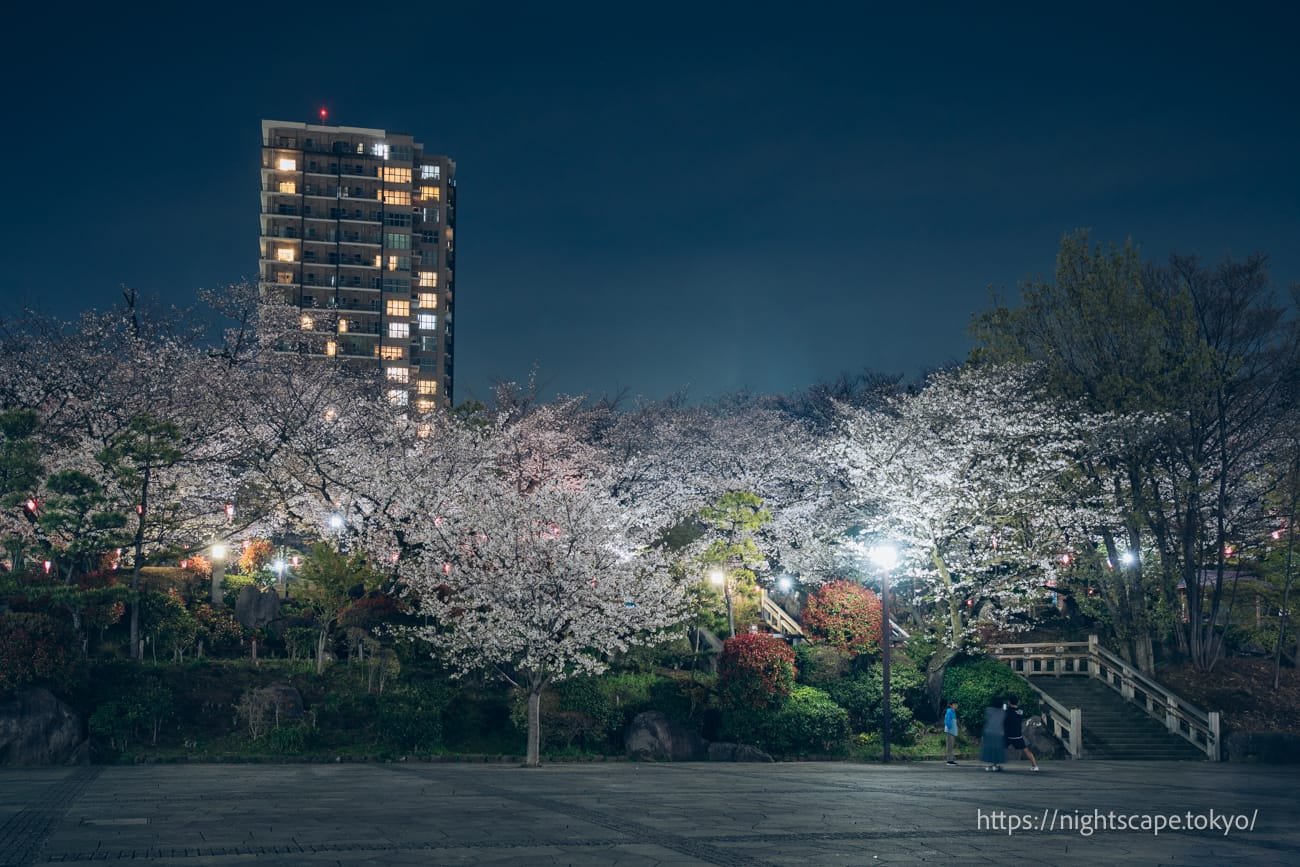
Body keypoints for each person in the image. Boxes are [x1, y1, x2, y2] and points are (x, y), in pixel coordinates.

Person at [1003, 695, 1040, 771]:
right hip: (1018, 735)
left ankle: (994, 764)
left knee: (999, 748)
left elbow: (1004, 717)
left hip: (1008, 736)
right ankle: (1035, 766)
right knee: (1026, 750)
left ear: (1009, 702)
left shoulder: (1008, 711)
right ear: (1017, 702)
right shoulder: (1020, 711)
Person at [981, 695, 1005, 771]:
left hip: (988, 731)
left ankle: (990, 764)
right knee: (997, 749)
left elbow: (986, 720)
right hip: (999, 732)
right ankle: (995, 765)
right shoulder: (1003, 712)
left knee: (989, 748)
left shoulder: (988, 710)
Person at [944, 700, 960, 765]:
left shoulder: (953, 712)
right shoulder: (949, 711)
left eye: (956, 704)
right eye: (954, 704)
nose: (956, 705)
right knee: (949, 746)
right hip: (950, 731)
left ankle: (951, 760)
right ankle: (949, 761)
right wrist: (950, 728)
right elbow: (947, 721)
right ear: (951, 705)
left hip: (952, 731)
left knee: (951, 746)